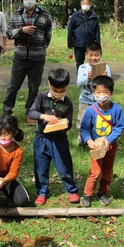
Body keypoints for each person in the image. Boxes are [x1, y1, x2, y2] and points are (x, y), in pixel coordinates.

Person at [27, 68, 79, 205]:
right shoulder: (41, 97)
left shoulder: (67, 103)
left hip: (59, 140)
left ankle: (71, 190)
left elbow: (69, 124)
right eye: (56, 90)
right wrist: (44, 116)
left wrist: (63, 123)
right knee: (41, 167)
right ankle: (42, 192)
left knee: (64, 166)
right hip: (41, 139)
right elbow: (31, 112)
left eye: (62, 91)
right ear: (49, 83)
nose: (58, 93)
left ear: (67, 86)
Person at [3, 0, 52, 124]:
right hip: (20, 58)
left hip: (38, 59)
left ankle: (30, 113)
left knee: (33, 88)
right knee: (13, 87)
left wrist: (41, 49)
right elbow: (8, 33)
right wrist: (21, 30)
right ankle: (7, 112)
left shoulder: (44, 15)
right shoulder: (16, 15)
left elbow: (48, 36)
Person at [80, 76, 124, 206]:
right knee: (95, 172)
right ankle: (87, 194)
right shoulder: (90, 110)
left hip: (110, 146)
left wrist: (110, 140)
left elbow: (119, 127)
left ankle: (103, 192)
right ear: (93, 93)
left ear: (111, 93)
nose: (102, 96)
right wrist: (89, 141)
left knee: (107, 172)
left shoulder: (116, 109)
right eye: (98, 92)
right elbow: (84, 129)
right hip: (96, 147)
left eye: (105, 92)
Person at [0, 114, 29, 207]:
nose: (3, 137)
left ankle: (8, 196)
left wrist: (5, 180)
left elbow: (13, 172)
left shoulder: (18, 151)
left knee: (22, 201)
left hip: (7, 178)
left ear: (14, 133)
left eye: (6, 134)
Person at [76, 42, 111, 146]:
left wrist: (106, 77)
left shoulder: (105, 68)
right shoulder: (82, 68)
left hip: (99, 101)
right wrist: (88, 78)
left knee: (96, 120)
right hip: (85, 99)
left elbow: (109, 84)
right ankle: (82, 137)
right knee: (83, 120)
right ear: (86, 55)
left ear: (101, 54)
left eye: (96, 55)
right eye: (91, 55)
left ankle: (94, 139)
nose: (94, 58)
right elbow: (79, 83)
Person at [67, 0, 100, 70]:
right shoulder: (75, 16)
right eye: (84, 3)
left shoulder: (94, 17)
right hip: (79, 44)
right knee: (79, 63)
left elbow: (97, 31)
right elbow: (70, 30)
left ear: (90, 4)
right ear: (81, 4)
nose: (86, 5)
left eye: (88, 3)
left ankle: (92, 77)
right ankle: (80, 78)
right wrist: (70, 43)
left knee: (92, 61)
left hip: (90, 43)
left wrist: (97, 44)